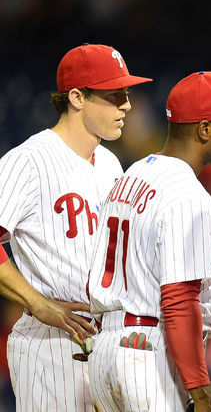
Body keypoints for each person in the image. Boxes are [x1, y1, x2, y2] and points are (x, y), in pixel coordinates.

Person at [87, 71, 211, 412]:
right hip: (146, 354)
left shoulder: (130, 176)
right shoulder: (189, 196)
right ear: (204, 129)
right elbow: (179, 299)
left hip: (105, 352)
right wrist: (201, 394)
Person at [0, 43, 151, 411]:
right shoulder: (28, 161)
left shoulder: (111, 164)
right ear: (77, 97)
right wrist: (36, 302)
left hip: (106, 339)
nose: (126, 105)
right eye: (114, 95)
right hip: (51, 343)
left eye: (126, 94)